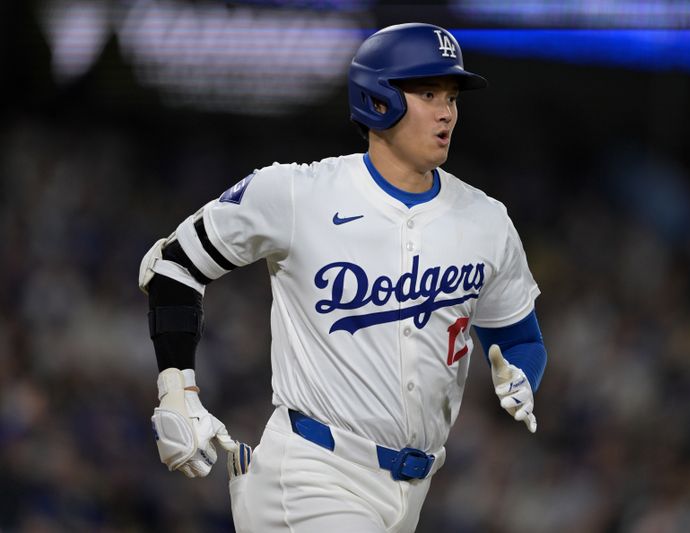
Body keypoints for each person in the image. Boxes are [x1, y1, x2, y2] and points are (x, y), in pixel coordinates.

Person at [138, 22, 548, 533]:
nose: (447, 111)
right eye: (427, 93)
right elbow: (172, 265)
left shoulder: (485, 220)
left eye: (451, 96)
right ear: (378, 100)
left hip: (411, 491)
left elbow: (521, 339)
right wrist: (178, 389)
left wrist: (524, 378)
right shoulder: (297, 193)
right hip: (312, 473)